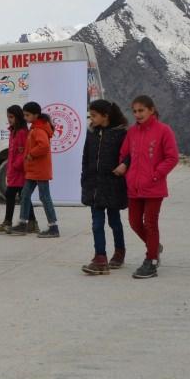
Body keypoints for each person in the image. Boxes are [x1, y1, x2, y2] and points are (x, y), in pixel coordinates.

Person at [113, 95, 179, 279]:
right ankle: (154, 246)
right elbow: (124, 155)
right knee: (134, 223)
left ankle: (151, 260)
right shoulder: (132, 132)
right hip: (134, 187)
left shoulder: (164, 130)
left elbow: (172, 157)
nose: (137, 114)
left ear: (151, 110)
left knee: (150, 224)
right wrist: (126, 171)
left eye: (141, 110)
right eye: (134, 111)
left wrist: (156, 175)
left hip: (153, 187)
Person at [81, 100, 129, 275]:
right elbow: (86, 157)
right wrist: (84, 179)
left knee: (114, 221)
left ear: (105, 116)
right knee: (96, 223)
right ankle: (100, 257)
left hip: (113, 185)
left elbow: (130, 155)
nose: (91, 119)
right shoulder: (92, 133)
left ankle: (119, 251)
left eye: (94, 115)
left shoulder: (121, 134)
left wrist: (124, 165)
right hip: (94, 186)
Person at [7, 102, 59, 238]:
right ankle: (23, 223)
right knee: (24, 194)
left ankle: (53, 227)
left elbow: (44, 146)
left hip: (40, 170)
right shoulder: (35, 128)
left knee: (44, 197)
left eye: (27, 115)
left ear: (36, 115)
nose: (25, 117)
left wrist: (31, 154)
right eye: (24, 115)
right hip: (33, 170)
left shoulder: (39, 129)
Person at [0, 106, 37, 233]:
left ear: (18, 117)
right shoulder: (14, 131)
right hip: (14, 171)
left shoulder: (22, 132)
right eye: (8, 117)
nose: (9, 119)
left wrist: (16, 165)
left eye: (11, 117)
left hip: (19, 171)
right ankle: (32, 222)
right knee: (23, 196)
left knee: (12, 194)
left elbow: (24, 152)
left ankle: (8, 222)